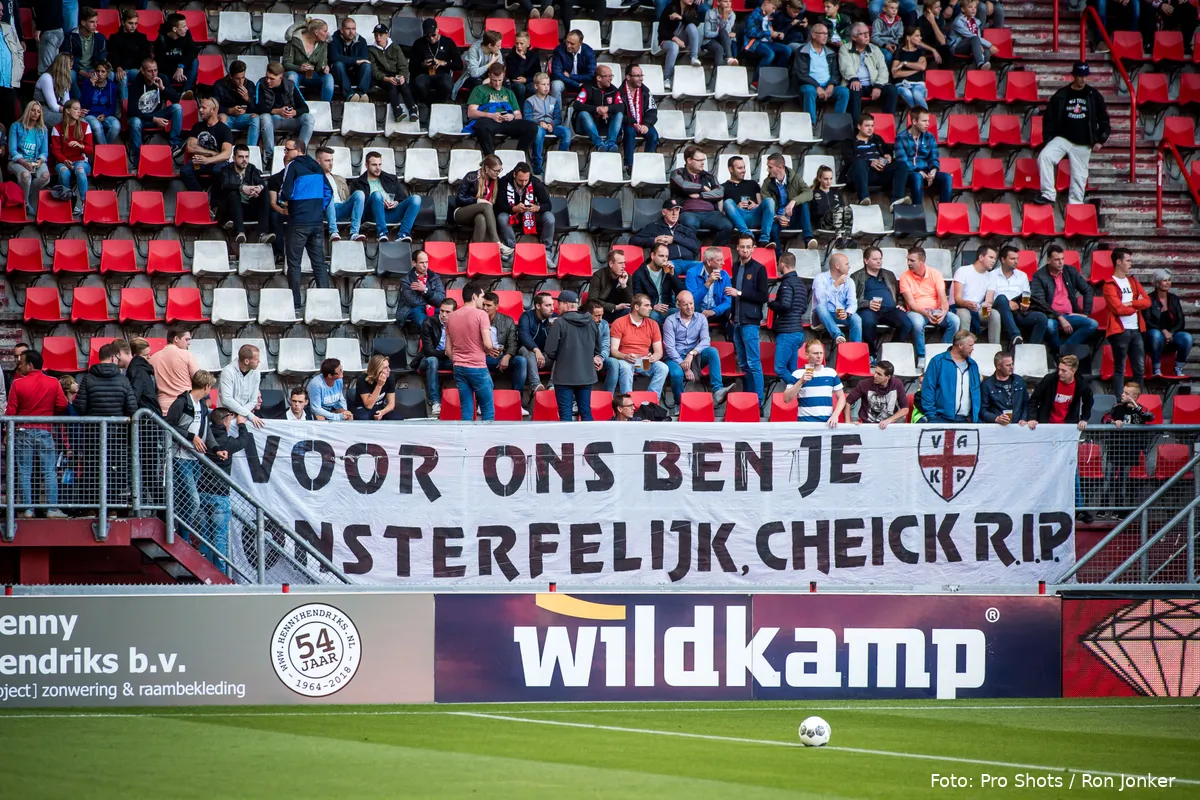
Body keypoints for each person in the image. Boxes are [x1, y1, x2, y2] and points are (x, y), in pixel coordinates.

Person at [73, 340, 136, 510]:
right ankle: (113, 508)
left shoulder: (87, 378)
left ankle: (93, 507)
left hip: (93, 432)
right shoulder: (123, 380)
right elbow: (132, 407)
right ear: (115, 357)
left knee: (93, 468)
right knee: (114, 469)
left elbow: (79, 406)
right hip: (117, 433)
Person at [6, 349, 69, 517]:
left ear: (30, 365)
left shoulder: (18, 384)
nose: (20, 366)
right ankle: (52, 509)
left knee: (25, 471)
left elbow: (11, 411)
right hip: (45, 430)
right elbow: (62, 405)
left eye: (22, 363)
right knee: (49, 471)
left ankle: (27, 509)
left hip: (23, 431)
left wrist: (6, 432)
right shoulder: (53, 382)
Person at [1037, 61, 1110, 206]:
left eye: (1085, 76)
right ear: (1074, 76)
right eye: (1080, 76)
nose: (1083, 79)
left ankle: (1075, 206)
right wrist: (1048, 139)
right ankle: (1048, 194)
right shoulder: (1062, 94)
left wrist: (1101, 139)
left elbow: (1104, 118)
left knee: (1079, 176)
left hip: (1083, 141)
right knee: (1044, 157)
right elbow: (1049, 118)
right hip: (1063, 138)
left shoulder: (1093, 95)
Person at [280, 139, 333, 311]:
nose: (286, 153)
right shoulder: (317, 166)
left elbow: (285, 193)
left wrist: (290, 201)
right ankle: (325, 302)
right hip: (316, 222)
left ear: (298, 150)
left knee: (294, 263)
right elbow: (329, 191)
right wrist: (318, 208)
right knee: (318, 262)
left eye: (288, 150)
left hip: (298, 222)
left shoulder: (292, 166)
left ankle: (295, 303)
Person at [165, 369, 217, 541]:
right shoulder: (181, 403)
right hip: (180, 458)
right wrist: (190, 437)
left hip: (195, 460)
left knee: (185, 501)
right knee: (193, 501)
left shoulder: (201, 405)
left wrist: (215, 448)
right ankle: (182, 536)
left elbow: (206, 429)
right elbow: (168, 426)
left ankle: (180, 533)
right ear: (206, 386)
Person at [200, 407, 252, 573]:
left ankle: (205, 571)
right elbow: (244, 440)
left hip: (201, 493)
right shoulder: (227, 442)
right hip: (220, 495)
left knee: (205, 536)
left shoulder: (203, 438)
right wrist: (242, 424)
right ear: (225, 421)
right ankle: (219, 573)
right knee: (219, 538)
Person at [664, 289, 730, 405]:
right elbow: (670, 348)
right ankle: (680, 404)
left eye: (691, 303)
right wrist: (685, 367)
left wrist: (692, 353)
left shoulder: (701, 318)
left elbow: (705, 341)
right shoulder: (670, 321)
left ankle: (718, 390)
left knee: (712, 351)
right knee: (677, 374)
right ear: (678, 305)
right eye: (685, 304)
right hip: (675, 357)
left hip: (694, 355)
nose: (689, 307)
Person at [545, 290, 603, 420]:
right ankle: (590, 440)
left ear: (566, 304)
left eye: (558, 303)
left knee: (565, 415)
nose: (557, 307)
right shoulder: (592, 322)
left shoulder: (559, 323)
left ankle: (568, 441)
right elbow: (598, 349)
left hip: (564, 376)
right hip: (586, 375)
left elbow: (550, 351)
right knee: (586, 412)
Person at [1031, 244, 1098, 354]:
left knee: (1092, 324)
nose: (1061, 262)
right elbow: (1040, 302)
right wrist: (1060, 318)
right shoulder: (1039, 276)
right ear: (1048, 260)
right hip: (1050, 316)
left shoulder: (1070, 271)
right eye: (1057, 260)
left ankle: (1062, 351)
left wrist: (1085, 313)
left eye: (1062, 259)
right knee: (1049, 326)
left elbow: (1087, 290)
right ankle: (1061, 352)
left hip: (1069, 315)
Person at [1101, 247, 1151, 396]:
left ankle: (1136, 400)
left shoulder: (1133, 281)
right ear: (1118, 262)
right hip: (1119, 331)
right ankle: (1119, 400)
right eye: (1128, 260)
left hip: (1135, 329)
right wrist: (1136, 305)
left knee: (1139, 368)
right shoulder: (1109, 284)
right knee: (1119, 368)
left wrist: (1131, 304)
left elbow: (1147, 302)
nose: (1131, 263)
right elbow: (1118, 309)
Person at [900, 245, 959, 368]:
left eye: (912, 260)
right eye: (908, 260)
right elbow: (911, 304)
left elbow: (943, 298)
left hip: (935, 310)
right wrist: (926, 313)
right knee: (917, 323)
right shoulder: (905, 276)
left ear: (922, 261)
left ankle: (943, 353)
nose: (908, 263)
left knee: (955, 320)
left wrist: (943, 311)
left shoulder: (935, 274)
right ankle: (922, 356)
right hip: (916, 311)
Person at [445, 281, 497, 421]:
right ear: (474, 296)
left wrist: (458, 359)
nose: (483, 300)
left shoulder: (451, 317)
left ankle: (465, 442)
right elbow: (488, 343)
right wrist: (489, 349)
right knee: (487, 409)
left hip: (459, 367)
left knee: (466, 409)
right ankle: (486, 443)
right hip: (477, 367)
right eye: (481, 297)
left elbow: (448, 350)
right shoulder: (481, 314)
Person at [467, 63, 538, 162]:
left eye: (500, 80)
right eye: (494, 80)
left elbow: (518, 115)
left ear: (504, 76)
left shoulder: (508, 92)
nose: (497, 84)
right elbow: (471, 112)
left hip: (507, 121)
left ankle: (518, 157)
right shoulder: (480, 89)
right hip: (490, 120)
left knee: (532, 127)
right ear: (489, 76)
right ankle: (491, 159)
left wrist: (512, 116)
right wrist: (490, 115)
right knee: (480, 125)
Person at [728, 233, 770, 402]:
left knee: (754, 363)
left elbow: (763, 297)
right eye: (742, 247)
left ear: (753, 248)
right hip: (737, 320)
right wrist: (732, 313)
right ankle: (749, 397)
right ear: (737, 248)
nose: (745, 250)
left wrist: (739, 293)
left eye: (748, 247)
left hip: (750, 321)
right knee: (744, 364)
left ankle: (758, 400)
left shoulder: (760, 268)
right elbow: (732, 294)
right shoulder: (735, 267)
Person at [853, 245, 914, 359]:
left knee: (907, 323)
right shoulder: (856, 276)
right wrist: (867, 303)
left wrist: (900, 304)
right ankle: (872, 354)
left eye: (880, 259)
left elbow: (899, 295)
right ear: (866, 261)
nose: (879, 261)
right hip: (868, 309)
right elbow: (851, 300)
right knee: (867, 322)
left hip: (889, 309)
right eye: (875, 259)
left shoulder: (889, 275)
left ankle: (890, 351)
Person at [255, 64, 315, 171]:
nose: (268, 81)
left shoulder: (291, 84)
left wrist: (294, 112)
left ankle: (300, 154)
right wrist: (277, 111)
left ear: (281, 78)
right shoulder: (261, 83)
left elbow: (304, 107)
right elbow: (258, 107)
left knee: (309, 118)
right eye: (267, 77)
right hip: (274, 119)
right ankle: (270, 157)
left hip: (290, 119)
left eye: (272, 79)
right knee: (264, 117)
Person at [353, 150, 421, 243]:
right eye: (374, 165)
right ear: (366, 165)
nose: (378, 168)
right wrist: (380, 202)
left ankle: (403, 234)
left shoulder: (391, 179)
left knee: (416, 199)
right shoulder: (357, 183)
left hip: (391, 212)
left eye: (380, 164)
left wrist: (396, 202)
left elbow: (403, 198)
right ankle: (382, 233)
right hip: (372, 214)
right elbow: (359, 205)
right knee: (376, 195)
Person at [843, 113, 909, 207]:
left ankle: (897, 199)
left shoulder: (877, 139)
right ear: (859, 126)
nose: (870, 128)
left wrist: (888, 156)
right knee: (860, 162)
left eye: (872, 126)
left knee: (902, 165)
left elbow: (887, 151)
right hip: (862, 175)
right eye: (867, 126)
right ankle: (864, 198)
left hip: (880, 171)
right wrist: (870, 163)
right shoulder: (850, 142)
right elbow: (849, 160)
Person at [610, 294, 670, 399]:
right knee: (626, 368)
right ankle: (627, 402)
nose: (650, 308)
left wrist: (653, 358)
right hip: (626, 360)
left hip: (644, 362)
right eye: (646, 306)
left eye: (650, 305)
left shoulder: (653, 324)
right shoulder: (619, 323)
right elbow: (613, 350)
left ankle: (650, 402)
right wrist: (625, 356)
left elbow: (659, 351)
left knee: (663, 368)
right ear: (636, 307)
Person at [126, 59, 183, 166]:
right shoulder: (136, 84)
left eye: (155, 70)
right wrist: (154, 119)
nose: (153, 74)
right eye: (150, 71)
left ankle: (175, 144)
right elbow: (132, 111)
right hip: (142, 119)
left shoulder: (162, 79)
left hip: (156, 114)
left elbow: (176, 99)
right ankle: (137, 154)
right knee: (135, 121)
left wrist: (162, 88)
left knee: (177, 108)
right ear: (142, 71)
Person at [988, 245, 1048, 345]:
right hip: (999, 308)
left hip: (1018, 310)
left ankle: (1031, 349)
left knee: (1042, 317)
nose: (1016, 261)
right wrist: (1007, 303)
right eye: (1012, 259)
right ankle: (1015, 336)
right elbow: (989, 297)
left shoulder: (1022, 275)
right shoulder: (991, 275)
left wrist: (1025, 306)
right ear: (1003, 259)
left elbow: (1026, 295)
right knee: (1002, 298)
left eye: (1017, 258)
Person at [672, 146, 732, 244]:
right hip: (688, 212)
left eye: (703, 160)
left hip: (710, 214)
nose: (702, 163)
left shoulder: (709, 176)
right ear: (689, 160)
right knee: (690, 223)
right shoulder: (678, 173)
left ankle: (713, 252)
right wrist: (703, 188)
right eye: (699, 160)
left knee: (727, 225)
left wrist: (701, 195)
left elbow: (719, 193)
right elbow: (683, 185)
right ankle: (692, 253)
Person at [840, 23, 899, 122]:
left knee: (892, 90)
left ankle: (888, 123)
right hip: (855, 83)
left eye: (867, 33)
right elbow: (845, 66)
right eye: (862, 34)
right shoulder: (845, 49)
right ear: (854, 37)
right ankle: (855, 127)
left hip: (874, 84)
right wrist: (853, 79)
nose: (867, 36)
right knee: (854, 90)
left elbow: (883, 70)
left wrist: (878, 86)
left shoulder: (875, 49)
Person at [792, 24, 851, 122]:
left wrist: (831, 85)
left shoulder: (830, 53)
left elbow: (836, 73)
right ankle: (811, 124)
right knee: (809, 90)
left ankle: (837, 123)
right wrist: (817, 87)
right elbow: (801, 74)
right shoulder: (802, 51)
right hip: (809, 86)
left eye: (827, 34)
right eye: (822, 33)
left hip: (827, 86)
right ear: (814, 35)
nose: (825, 36)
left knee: (844, 91)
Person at [482, 292, 529, 410]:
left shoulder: (507, 320)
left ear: (497, 306)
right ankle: (482, 402)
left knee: (521, 361)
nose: (485, 308)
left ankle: (517, 402)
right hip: (483, 357)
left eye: (489, 305)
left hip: (501, 355)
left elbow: (513, 342)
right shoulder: (478, 318)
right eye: (483, 305)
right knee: (479, 362)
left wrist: (507, 356)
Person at [451, 154, 508, 253]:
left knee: (481, 218)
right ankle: (496, 242)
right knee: (485, 206)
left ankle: (475, 254)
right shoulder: (471, 177)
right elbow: (459, 199)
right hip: (461, 212)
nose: (498, 173)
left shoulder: (497, 181)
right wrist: (476, 200)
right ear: (486, 168)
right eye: (496, 171)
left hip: (480, 215)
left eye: (500, 170)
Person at [920, 330, 980, 423]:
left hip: (966, 420)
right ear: (960, 345)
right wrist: (932, 416)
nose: (972, 348)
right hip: (941, 419)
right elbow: (928, 389)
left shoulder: (973, 365)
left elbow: (976, 392)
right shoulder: (938, 361)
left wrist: (974, 417)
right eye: (970, 345)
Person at [216, 144, 271, 246]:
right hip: (229, 211)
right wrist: (242, 187)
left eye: (246, 156)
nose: (244, 160)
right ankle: (240, 232)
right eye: (241, 157)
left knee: (264, 192)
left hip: (247, 209)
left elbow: (262, 182)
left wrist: (258, 188)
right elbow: (225, 185)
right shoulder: (226, 170)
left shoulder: (252, 168)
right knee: (233, 193)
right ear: (234, 158)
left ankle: (263, 234)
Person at [783, 339, 847, 426]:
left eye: (821, 353)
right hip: (806, 424)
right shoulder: (797, 374)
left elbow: (842, 398)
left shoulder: (831, 373)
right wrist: (801, 381)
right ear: (807, 354)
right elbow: (786, 399)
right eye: (815, 353)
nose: (819, 356)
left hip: (827, 424)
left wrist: (835, 415)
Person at [495, 161, 554, 255]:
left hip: (531, 215)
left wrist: (537, 208)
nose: (523, 183)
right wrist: (513, 209)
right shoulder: (504, 181)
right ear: (514, 174)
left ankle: (547, 251)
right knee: (502, 217)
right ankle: (510, 249)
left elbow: (548, 205)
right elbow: (499, 205)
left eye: (526, 180)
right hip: (513, 215)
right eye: (520, 180)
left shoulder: (535, 182)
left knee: (549, 217)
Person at [895, 108, 951, 205]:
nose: (928, 124)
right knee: (917, 177)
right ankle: (918, 212)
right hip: (910, 174)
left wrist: (933, 171)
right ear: (914, 121)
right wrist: (918, 171)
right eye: (924, 121)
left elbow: (934, 157)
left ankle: (945, 212)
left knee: (947, 177)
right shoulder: (900, 138)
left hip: (927, 173)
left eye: (928, 121)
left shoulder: (929, 137)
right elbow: (902, 161)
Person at [770, 253, 811, 383]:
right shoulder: (801, 284)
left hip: (787, 332)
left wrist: (771, 303)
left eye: (778, 263)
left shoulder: (787, 283)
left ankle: (799, 387)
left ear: (782, 264)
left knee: (780, 368)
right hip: (798, 332)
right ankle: (797, 395)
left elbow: (784, 305)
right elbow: (803, 309)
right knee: (793, 369)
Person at [1145, 269, 1191, 377]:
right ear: (1157, 282)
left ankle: (1178, 367)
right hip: (1154, 337)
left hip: (1171, 335)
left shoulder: (1174, 299)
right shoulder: (1149, 299)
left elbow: (1181, 321)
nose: (1168, 283)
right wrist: (1163, 331)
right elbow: (1146, 321)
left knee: (1187, 337)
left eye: (1169, 280)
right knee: (1156, 335)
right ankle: (1156, 368)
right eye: (1164, 280)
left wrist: (1171, 332)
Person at [181, 96, 233, 193]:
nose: (200, 110)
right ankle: (200, 197)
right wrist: (212, 153)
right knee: (185, 171)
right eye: (200, 107)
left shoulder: (225, 130)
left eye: (204, 108)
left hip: (217, 162)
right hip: (201, 160)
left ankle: (214, 203)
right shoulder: (197, 127)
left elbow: (226, 154)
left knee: (219, 171)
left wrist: (208, 160)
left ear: (213, 110)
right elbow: (190, 147)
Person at [51, 99, 92, 217]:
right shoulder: (57, 128)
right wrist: (65, 161)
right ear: (68, 111)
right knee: (64, 172)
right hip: (63, 161)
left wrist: (80, 145)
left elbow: (90, 150)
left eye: (79, 109)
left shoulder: (85, 126)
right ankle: (68, 203)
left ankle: (85, 203)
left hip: (81, 161)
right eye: (75, 109)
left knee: (80, 170)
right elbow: (56, 151)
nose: (79, 112)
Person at [1028, 354, 1092, 430]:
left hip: (1067, 426)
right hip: (1045, 424)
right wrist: (1032, 418)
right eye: (1059, 369)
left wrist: (1084, 418)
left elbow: (1089, 401)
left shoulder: (1081, 383)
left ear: (1073, 371)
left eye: (1064, 371)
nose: (1059, 373)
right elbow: (1034, 399)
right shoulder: (1049, 380)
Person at [724, 155, 776, 249]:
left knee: (769, 201)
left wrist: (756, 205)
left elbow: (761, 205)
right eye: (740, 168)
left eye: (744, 167)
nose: (743, 170)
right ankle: (749, 236)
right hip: (739, 217)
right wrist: (736, 207)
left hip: (754, 215)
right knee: (728, 202)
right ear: (730, 169)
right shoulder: (724, 187)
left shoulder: (752, 183)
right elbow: (722, 212)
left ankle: (764, 240)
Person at [8, 101, 50, 218]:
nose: (35, 113)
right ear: (28, 110)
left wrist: (40, 161)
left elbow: (44, 152)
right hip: (17, 161)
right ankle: (25, 203)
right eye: (33, 110)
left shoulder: (42, 129)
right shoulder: (16, 126)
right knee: (26, 176)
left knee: (45, 177)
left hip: (35, 160)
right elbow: (12, 150)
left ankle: (24, 194)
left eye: (38, 111)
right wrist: (24, 163)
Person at [316, 145, 366, 242]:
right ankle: (333, 231)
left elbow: (347, 198)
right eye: (327, 161)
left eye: (331, 160)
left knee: (359, 194)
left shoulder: (340, 179)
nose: (331, 164)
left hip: (341, 208)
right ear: (318, 161)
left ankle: (354, 233)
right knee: (328, 194)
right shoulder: (314, 178)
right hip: (324, 210)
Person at [524, 72, 571, 176]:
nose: (546, 87)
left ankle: (559, 162)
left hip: (551, 125)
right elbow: (527, 118)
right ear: (536, 86)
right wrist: (540, 122)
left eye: (548, 84)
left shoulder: (553, 101)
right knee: (539, 133)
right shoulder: (529, 101)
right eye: (543, 84)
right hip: (538, 126)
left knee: (566, 132)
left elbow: (558, 117)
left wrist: (552, 124)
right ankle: (537, 164)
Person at [369, 23, 417, 122]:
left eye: (381, 35)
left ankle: (412, 109)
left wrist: (402, 76)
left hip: (395, 74)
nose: (378, 38)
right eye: (376, 35)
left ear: (387, 35)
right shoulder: (371, 50)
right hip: (382, 77)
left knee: (403, 84)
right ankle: (397, 110)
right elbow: (374, 70)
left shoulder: (395, 47)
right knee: (392, 86)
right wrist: (385, 78)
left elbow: (403, 65)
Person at [630, 198, 702, 264]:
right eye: (671, 210)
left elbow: (697, 245)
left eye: (677, 210)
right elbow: (633, 240)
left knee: (702, 268)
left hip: (688, 263)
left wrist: (674, 239)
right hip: (667, 263)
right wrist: (654, 240)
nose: (674, 213)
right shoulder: (654, 227)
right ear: (664, 212)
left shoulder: (685, 229)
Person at [573, 63, 625, 154]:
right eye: (607, 76)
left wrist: (607, 109)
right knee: (583, 113)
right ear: (599, 78)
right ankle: (599, 144)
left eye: (611, 75)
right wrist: (597, 109)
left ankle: (611, 143)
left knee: (619, 114)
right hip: (585, 126)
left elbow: (621, 107)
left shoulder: (613, 90)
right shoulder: (587, 88)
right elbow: (577, 105)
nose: (610, 78)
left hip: (604, 125)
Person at [813, 252, 863, 345]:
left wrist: (847, 313)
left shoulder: (849, 281)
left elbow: (853, 302)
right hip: (823, 315)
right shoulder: (820, 278)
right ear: (837, 266)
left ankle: (856, 348)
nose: (849, 267)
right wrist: (836, 284)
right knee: (820, 307)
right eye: (846, 264)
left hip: (840, 314)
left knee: (856, 319)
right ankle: (838, 336)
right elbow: (821, 300)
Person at [411, 18, 461, 109]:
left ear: (438, 30)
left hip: (442, 75)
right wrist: (423, 64)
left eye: (434, 35)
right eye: (428, 36)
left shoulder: (448, 42)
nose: (431, 38)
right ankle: (427, 104)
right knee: (419, 83)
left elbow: (459, 65)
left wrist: (444, 63)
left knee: (446, 83)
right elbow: (411, 67)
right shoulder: (419, 43)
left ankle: (439, 104)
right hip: (425, 75)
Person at [420, 297, 457, 417]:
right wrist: (446, 353)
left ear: (454, 313)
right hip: (428, 359)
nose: (444, 315)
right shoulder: (428, 322)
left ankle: (468, 400)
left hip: (450, 359)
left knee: (466, 362)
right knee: (433, 360)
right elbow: (428, 350)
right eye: (442, 311)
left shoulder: (459, 324)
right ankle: (435, 402)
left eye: (448, 312)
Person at [518, 292, 558, 401]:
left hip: (546, 357)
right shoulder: (527, 316)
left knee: (562, 351)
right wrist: (536, 350)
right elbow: (523, 335)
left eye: (552, 305)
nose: (552, 308)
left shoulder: (555, 318)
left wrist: (556, 330)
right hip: (530, 357)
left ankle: (552, 386)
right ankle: (536, 385)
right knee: (526, 350)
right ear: (538, 306)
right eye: (548, 305)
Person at [283, 17, 334, 103]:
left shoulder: (323, 44)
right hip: (297, 73)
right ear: (316, 32)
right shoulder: (294, 41)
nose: (327, 34)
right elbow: (286, 64)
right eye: (325, 31)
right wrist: (299, 68)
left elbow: (321, 65)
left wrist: (324, 68)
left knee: (328, 77)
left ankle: (325, 107)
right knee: (292, 76)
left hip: (312, 75)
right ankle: (293, 106)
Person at [633, 243, 687, 324]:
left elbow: (682, 292)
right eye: (661, 256)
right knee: (653, 316)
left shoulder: (668, 271)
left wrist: (673, 275)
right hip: (651, 310)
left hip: (668, 309)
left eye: (666, 256)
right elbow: (637, 298)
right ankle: (661, 336)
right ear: (652, 256)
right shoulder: (640, 274)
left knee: (687, 310)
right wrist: (652, 306)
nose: (665, 259)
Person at [149, 327, 199, 415]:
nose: (189, 343)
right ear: (176, 339)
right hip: (185, 408)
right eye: (186, 339)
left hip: (163, 409)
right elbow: (199, 379)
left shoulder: (153, 358)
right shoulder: (186, 354)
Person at [844, 360, 910, 427]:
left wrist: (889, 420)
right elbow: (847, 402)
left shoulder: (897, 384)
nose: (875, 376)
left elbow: (905, 409)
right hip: (867, 425)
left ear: (888, 377)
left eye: (879, 374)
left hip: (889, 426)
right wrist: (848, 422)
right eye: (875, 372)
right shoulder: (864, 384)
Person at [617, 65, 658, 170]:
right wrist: (632, 122)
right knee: (629, 132)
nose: (641, 78)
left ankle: (647, 164)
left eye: (641, 75)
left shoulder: (645, 91)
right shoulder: (619, 93)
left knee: (653, 135)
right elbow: (618, 113)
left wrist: (646, 124)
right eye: (637, 76)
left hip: (643, 123)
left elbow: (652, 111)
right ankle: (629, 165)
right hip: (626, 124)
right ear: (628, 77)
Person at [658, 0, 706, 87]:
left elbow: (696, 23)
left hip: (684, 40)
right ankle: (667, 78)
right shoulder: (671, 8)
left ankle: (694, 57)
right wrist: (674, 38)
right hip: (667, 40)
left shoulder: (693, 8)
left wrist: (681, 18)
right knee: (674, 47)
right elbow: (662, 31)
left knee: (691, 26)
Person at [395, 248, 447, 328]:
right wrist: (431, 300)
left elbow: (442, 299)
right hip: (412, 309)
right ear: (414, 263)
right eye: (421, 263)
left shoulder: (435, 277)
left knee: (447, 313)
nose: (425, 266)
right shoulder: (406, 280)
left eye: (426, 262)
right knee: (420, 316)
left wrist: (425, 290)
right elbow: (414, 302)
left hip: (433, 307)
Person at [108, 9, 151, 104]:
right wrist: (118, 68)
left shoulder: (142, 37)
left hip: (136, 69)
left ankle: (142, 105)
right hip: (120, 70)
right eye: (130, 23)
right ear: (123, 22)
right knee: (122, 78)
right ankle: (125, 107)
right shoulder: (114, 38)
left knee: (145, 76)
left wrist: (142, 67)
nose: (133, 26)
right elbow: (112, 56)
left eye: (136, 23)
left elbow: (146, 56)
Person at [952, 245, 996, 336]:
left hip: (978, 309)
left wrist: (988, 305)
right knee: (965, 314)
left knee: (995, 314)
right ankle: (965, 346)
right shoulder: (963, 271)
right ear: (981, 257)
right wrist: (967, 304)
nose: (993, 261)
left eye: (995, 258)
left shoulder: (991, 276)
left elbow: (989, 299)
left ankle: (995, 347)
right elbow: (957, 299)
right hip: (959, 307)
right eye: (991, 257)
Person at [218, 344, 264, 429]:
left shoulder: (257, 372)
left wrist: (241, 413)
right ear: (247, 361)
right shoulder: (228, 371)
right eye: (256, 359)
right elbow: (226, 400)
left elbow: (253, 400)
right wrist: (248, 414)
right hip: (226, 416)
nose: (259, 362)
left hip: (243, 417)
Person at [685, 247, 733, 328]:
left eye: (722, 260)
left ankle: (731, 338)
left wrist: (714, 311)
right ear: (709, 262)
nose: (723, 263)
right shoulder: (692, 273)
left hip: (716, 312)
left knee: (731, 312)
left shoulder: (724, 275)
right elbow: (692, 301)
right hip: (698, 312)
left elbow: (728, 302)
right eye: (719, 260)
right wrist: (708, 283)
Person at [213, 60, 258, 146]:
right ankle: (223, 149)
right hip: (227, 117)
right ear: (230, 76)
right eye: (238, 78)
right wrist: (229, 110)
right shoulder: (219, 85)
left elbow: (256, 108)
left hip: (242, 118)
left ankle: (251, 150)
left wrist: (247, 99)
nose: (241, 82)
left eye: (243, 78)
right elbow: (215, 107)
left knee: (256, 118)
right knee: (222, 118)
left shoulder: (249, 85)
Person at [743, 0, 791, 81]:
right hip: (754, 43)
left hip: (767, 42)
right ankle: (756, 80)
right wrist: (769, 33)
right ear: (766, 3)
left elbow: (770, 32)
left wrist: (777, 34)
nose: (774, 11)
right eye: (773, 8)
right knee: (770, 54)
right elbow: (751, 32)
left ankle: (779, 77)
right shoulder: (754, 14)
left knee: (787, 50)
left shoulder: (768, 16)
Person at [979, 350, 1029, 425]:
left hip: (1018, 426)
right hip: (997, 427)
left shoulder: (1019, 381)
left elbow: (1026, 404)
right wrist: (996, 418)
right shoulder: (987, 385)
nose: (1012, 367)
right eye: (1008, 365)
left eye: (1012, 364)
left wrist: (1023, 418)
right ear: (998, 366)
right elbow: (982, 410)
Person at [549, 29, 597, 106]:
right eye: (567, 42)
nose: (568, 45)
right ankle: (556, 115)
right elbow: (557, 74)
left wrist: (571, 76)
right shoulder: (559, 50)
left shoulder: (589, 52)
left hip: (583, 83)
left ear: (580, 43)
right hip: (566, 82)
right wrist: (576, 84)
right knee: (556, 85)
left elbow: (591, 75)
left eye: (572, 43)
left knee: (594, 86)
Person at [330, 17, 372, 103]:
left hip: (355, 73)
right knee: (338, 64)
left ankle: (361, 94)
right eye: (348, 29)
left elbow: (364, 58)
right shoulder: (333, 40)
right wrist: (355, 61)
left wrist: (346, 60)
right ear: (342, 30)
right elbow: (334, 57)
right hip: (339, 74)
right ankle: (349, 95)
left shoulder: (361, 40)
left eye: (353, 29)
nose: (351, 32)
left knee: (366, 65)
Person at [154, 13, 199, 95]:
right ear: (174, 29)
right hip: (168, 72)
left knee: (195, 61)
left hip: (181, 70)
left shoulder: (187, 34)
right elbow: (160, 63)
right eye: (183, 26)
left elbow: (193, 51)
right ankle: (172, 95)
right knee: (162, 76)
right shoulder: (161, 40)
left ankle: (184, 93)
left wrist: (181, 66)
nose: (187, 28)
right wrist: (176, 70)